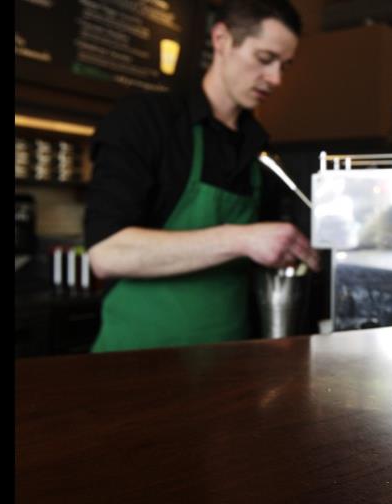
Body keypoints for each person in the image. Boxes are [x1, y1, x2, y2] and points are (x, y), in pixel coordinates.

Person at [84, 0, 319, 353]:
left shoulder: (260, 149)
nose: (276, 79)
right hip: (136, 361)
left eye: (283, 66)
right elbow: (107, 254)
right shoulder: (144, 120)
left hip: (231, 362)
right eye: (264, 58)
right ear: (222, 39)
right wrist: (241, 239)